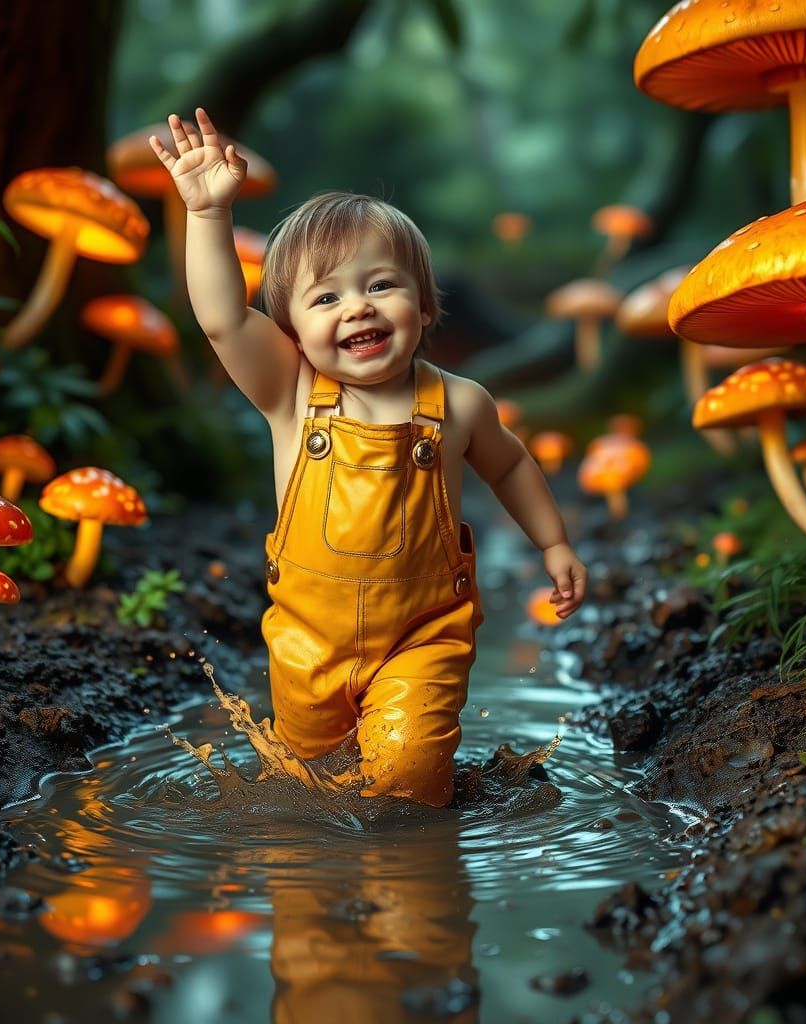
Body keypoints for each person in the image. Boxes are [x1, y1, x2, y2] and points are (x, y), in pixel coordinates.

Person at [151, 109, 587, 807]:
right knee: (310, 790)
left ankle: (411, 890)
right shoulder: (290, 393)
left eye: (380, 284)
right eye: (326, 297)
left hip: (423, 637)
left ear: (423, 301)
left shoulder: (460, 403)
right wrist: (207, 213)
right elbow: (221, 317)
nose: (357, 308)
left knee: (408, 781)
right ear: (292, 330)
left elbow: (508, 465)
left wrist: (554, 540)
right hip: (306, 645)